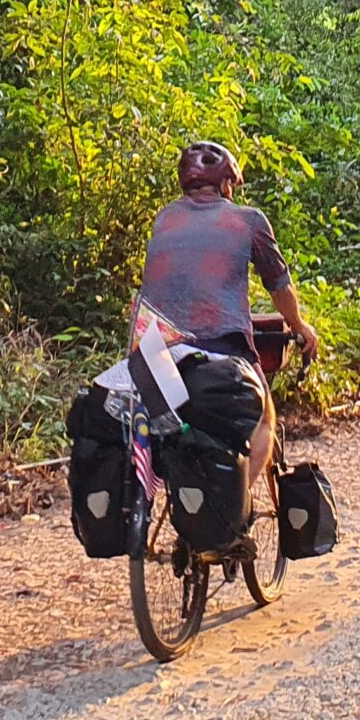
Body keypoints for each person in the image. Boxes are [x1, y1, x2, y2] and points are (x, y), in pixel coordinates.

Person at [136, 142, 320, 478]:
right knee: (265, 419)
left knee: (172, 430)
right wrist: (300, 325)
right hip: (219, 351)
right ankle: (236, 518)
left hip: (154, 356)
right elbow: (279, 288)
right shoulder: (248, 220)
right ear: (226, 184)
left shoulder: (164, 219)